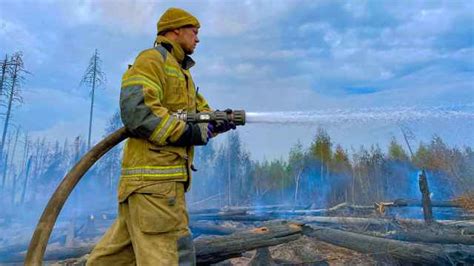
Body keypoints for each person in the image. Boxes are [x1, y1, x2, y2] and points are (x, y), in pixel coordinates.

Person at [87, 7, 234, 265]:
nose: (198, 39)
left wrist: (220, 121)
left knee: (112, 260)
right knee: (172, 257)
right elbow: (138, 112)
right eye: (194, 32)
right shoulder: (152, 60)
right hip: (157, 185)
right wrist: (190, 132)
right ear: (175, 30)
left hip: (149, 188)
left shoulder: (182, 72)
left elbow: (200, 114)